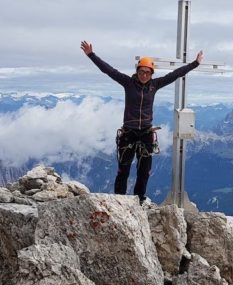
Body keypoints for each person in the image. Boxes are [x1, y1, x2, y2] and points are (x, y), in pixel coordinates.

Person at [81, 40, 203, 203]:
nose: (144, 75)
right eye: (141, 72)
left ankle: (139, 199)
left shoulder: (155, 85)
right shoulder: (128, 83)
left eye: (147, 72)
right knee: (123, 169)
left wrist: (195, 63)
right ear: (137, 71)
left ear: (151, 73)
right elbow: (108, 70)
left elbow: (175, 74)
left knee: (144, 171)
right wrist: (91, 55)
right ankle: (119, 200)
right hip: (129, 133)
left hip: (146, 133)